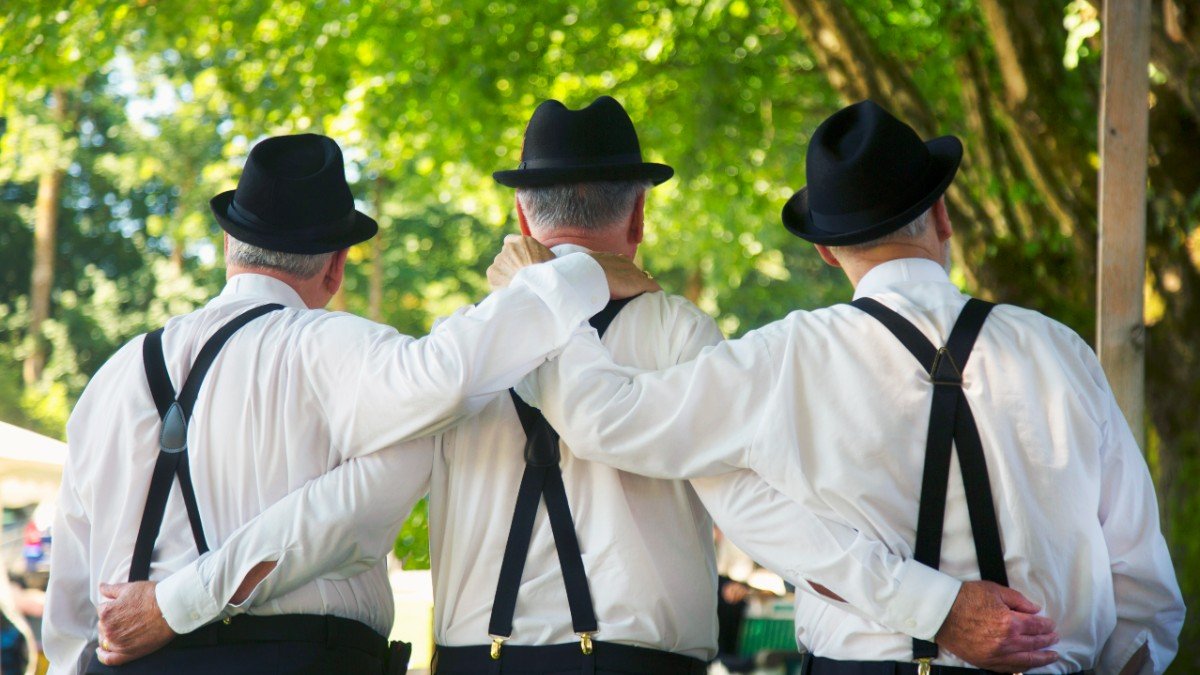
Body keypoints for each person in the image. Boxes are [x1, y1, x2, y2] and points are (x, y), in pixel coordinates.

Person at [97, 99, 1055, 675]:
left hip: (482, 664)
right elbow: (758, 513)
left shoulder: (450, 356)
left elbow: (352, 505)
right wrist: (928, 602)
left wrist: (181, 596)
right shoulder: (691, 339)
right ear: (639, 216)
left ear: (520, 210)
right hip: (651, 667)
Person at [513, 100, 1185, 674]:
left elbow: (606, 418)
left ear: (826, 250)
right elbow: (1146, 587)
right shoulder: (1059, 349)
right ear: (942, 216)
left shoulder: (785, 357)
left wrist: (545, 296)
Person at [43, 133, 656, 674]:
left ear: (231, 245)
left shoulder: (113, 376)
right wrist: (580, 273)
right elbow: (447, 377)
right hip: (298, 657)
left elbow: (69, 597)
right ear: (336, 267)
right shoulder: (331, 346)